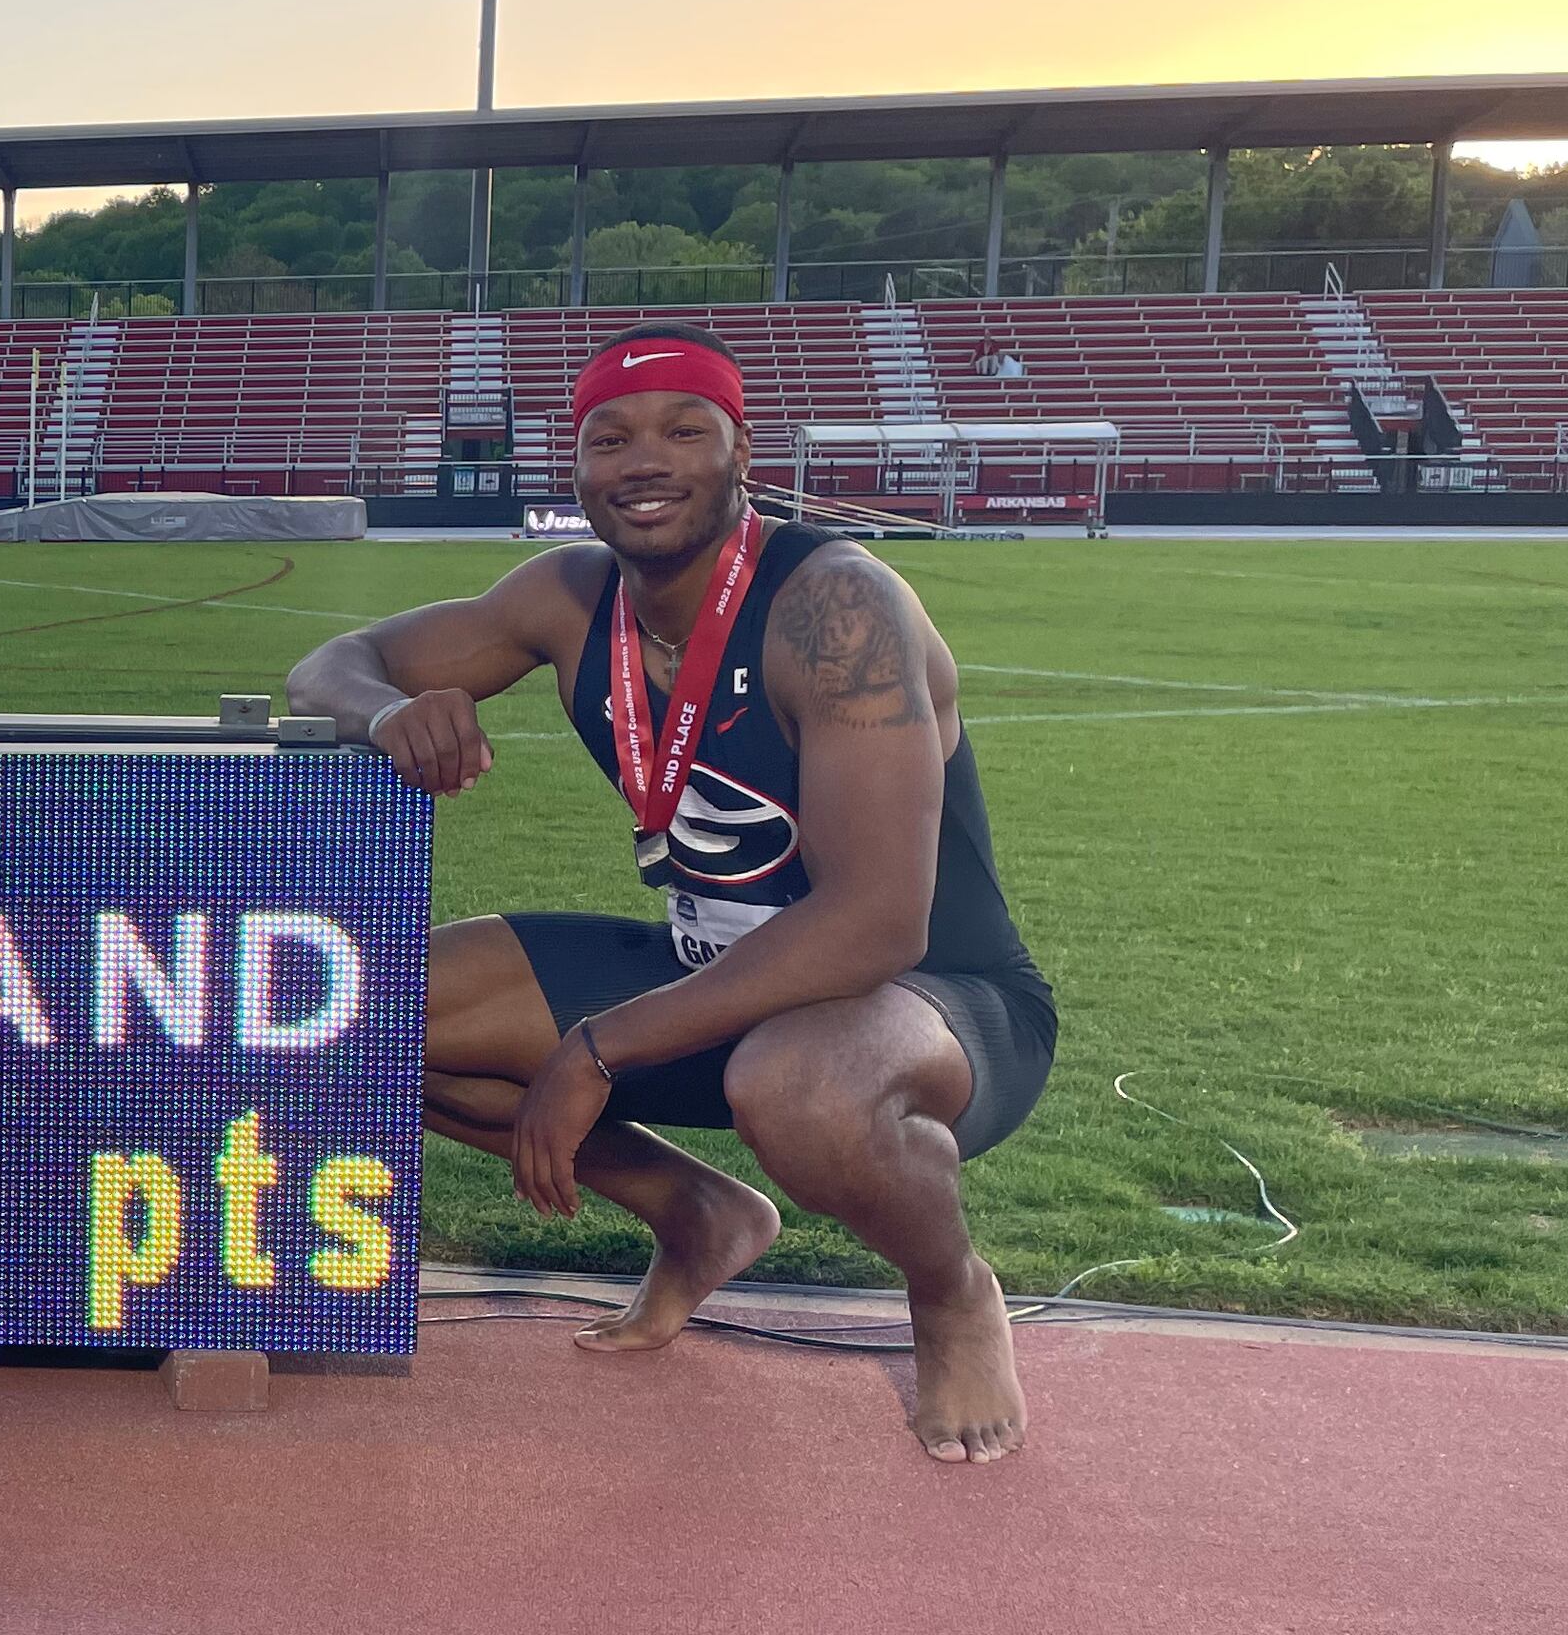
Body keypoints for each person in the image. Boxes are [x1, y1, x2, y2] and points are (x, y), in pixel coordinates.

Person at [285, 321, 1055, 1461]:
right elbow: (332, 662)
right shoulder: (564, 596)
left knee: (797, 1084)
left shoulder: (836, 608)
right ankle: (695, 1213)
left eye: (684, 430)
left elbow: (875, 921)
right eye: (611, 438)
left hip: (926, 999)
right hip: (715, 981)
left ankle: (951, 1292)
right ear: (579, 469)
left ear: (743, 451)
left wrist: (595, 1050)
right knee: (370, 1008)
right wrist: (393, 713)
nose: (645, 461)